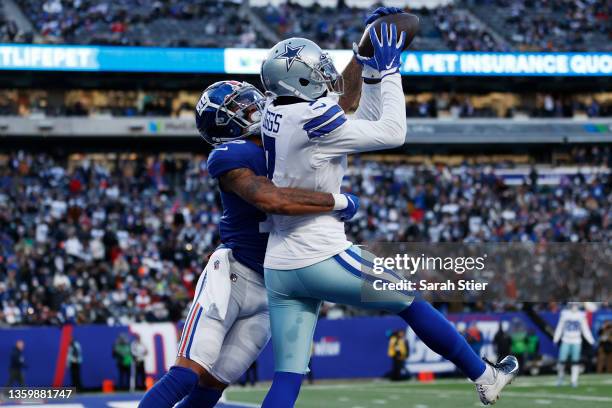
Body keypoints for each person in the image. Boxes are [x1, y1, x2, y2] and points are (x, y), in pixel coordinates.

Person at [258, 8, 518, 407]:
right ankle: (485, 376)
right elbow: (392, 132)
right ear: (301, 79)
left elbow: (354, 114)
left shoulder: (276, 111)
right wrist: (389, 72)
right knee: (410, 300)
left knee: (287, 377)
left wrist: (367, 66)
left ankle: (486, 374)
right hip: (318, 254)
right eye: (318, 69)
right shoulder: (313, 116)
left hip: (279, 265)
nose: (327, 74)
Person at [138, 79, 358, 408]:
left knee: (209, 390)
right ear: (224, 123)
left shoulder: (285, 138)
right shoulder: (231, 154)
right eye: (239, 105)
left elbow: (342, 103)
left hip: (273, 287)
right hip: (233, 275)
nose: (253, 105)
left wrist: (364, 52)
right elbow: (273, 200)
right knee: (187, 374)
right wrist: (337, 202)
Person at [554, 303, 594, 387]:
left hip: (576, 341)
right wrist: (556, 338)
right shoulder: (565, 314)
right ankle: (560, 378)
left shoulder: (581, 315)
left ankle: (574, 380)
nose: (574, 306)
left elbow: (585, 328)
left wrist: (591, 340)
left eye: (576, 304)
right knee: (562, 361)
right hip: (566, 340)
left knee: (575, 362)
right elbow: (560, 327)